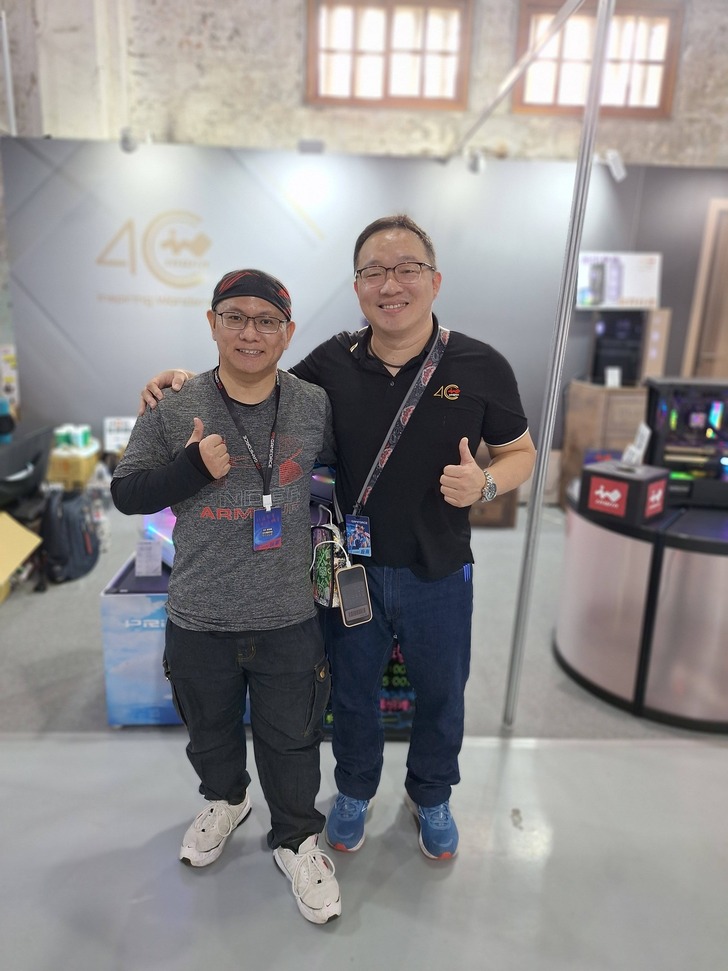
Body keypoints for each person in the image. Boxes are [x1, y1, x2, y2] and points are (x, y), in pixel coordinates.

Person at [140, 215, 537, 863]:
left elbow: (521, 452)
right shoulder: (332, 360)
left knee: (442, 693)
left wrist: (487, 484)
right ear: (357, 287)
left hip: (440, 570)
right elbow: (254, 383)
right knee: (351, 694)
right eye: (374, 272)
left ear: (435, 281)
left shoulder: (480, 364)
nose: (391, 285)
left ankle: (431, 794)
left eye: (407, 269)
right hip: (351, 567)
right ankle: (353, 790)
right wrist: (181, 383)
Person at [113, 269, 341, 924]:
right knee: (209, 733)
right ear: (212, 323)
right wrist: (189, 468)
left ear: (287, 333)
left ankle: (297, 839)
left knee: (293, 739)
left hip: (287, 615)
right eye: (235, 316)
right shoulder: (173, 404)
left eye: (266, 320)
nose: (250, 332)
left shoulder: (313, 404)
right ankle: (227, 800)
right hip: (199, 615)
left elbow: (352, 460)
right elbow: (126, 492)